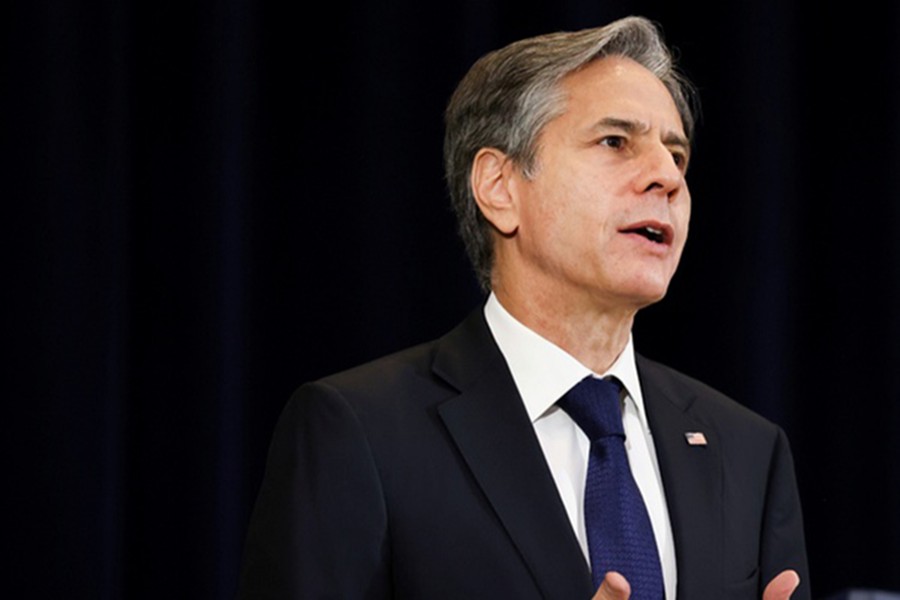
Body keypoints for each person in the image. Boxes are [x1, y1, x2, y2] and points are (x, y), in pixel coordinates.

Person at [236, 15, 810, 599]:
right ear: (500, 187)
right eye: (615, 142)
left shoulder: (747, 451)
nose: (666, 177)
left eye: (677, 154)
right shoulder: (359, 433)